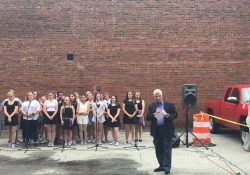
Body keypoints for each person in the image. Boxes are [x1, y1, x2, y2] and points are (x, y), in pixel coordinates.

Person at [146, 89, 178, 175]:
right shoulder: (151, 106)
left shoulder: (169, 105)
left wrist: (168, 116)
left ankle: (167, 167)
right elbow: (148, 117)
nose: (158, 97)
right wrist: (154, 114)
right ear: (154, 97)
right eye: (156, 96)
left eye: (159, 96)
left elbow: (175, 115)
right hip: (157, 130)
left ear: (162, 96)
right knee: (158, 149)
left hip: (166, 129)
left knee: (167, 149)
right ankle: (161, 165)